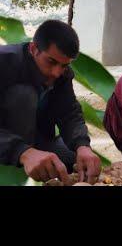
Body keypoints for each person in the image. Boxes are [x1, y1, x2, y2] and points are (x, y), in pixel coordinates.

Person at [0, 20, 102, 185]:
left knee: (75, 161)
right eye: (51, 62)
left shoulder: (62, 73)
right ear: (34, 49)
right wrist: (22, 152)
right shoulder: (4, 62)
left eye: (64, 65)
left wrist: (83, 145)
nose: (56, 72)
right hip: (8, 141)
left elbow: (69, 112)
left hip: (40, 140)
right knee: (24, 96)